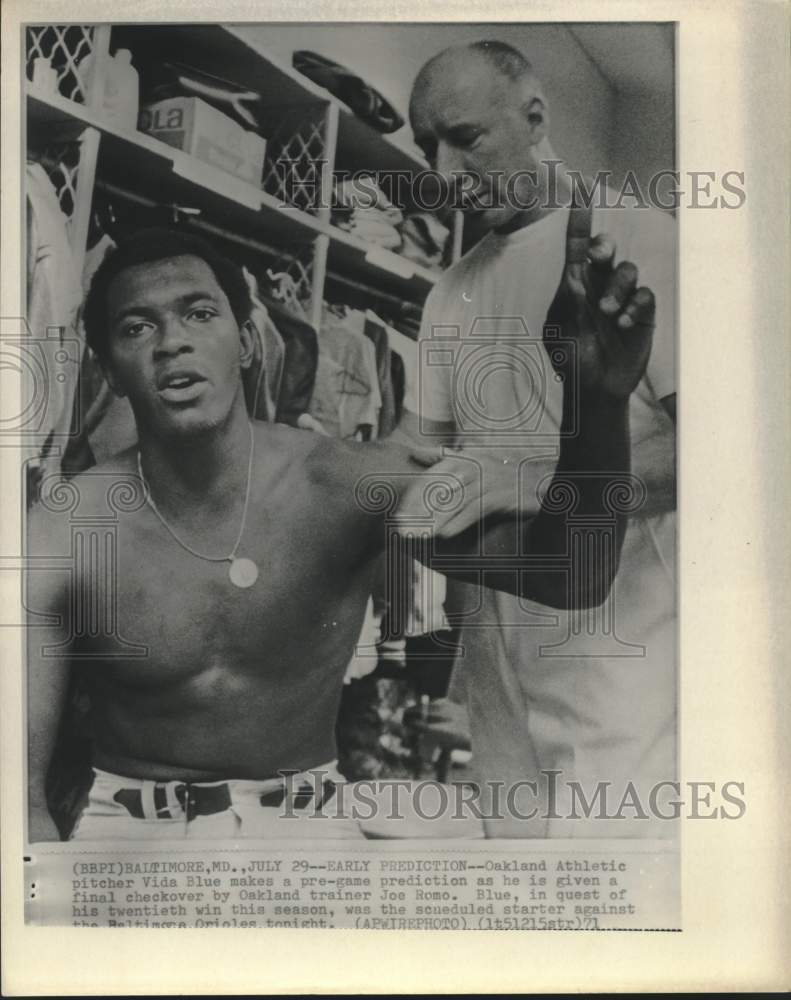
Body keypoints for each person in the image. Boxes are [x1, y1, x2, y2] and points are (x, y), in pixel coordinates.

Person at [26, 222, 655, 842]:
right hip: (131, 834)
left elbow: (573, 575)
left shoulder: (342, 483)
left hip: (305, 826)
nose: (172, 342)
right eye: (137, 327)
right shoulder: (66, 527)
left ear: (246, 343)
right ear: (109, 371)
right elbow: (17, 796)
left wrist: (595, 404)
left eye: (199, 314)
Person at [399, 40, 677, 837]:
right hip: (497, 664)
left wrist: (534, 481)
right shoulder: (451, 292)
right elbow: (418, 455)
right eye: (428, 146)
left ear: (534, 117)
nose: (444, 172)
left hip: (623, 668)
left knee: (607, 885)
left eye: (465, 138)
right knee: (511, 878)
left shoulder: (641, 240)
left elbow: (724, 455)